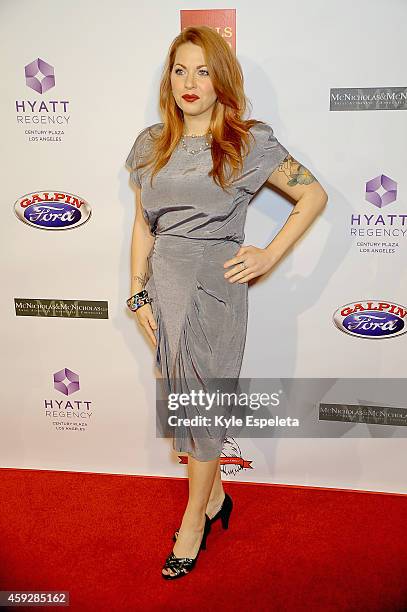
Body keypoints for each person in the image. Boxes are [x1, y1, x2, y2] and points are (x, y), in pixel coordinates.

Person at [125, 25, 328, 580]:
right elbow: (144, 223)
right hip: (162, 286)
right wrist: (137, 287)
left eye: (203, 70)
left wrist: (270, 255)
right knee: (182, 399)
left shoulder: (248, 142)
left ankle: (193, 520)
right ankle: (215, 497)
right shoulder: (152, 143)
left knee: (203, 405)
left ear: (222, 80)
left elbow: (313, 195)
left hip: (215, 287)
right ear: (169, 80)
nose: (190, 82)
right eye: (180, 70)